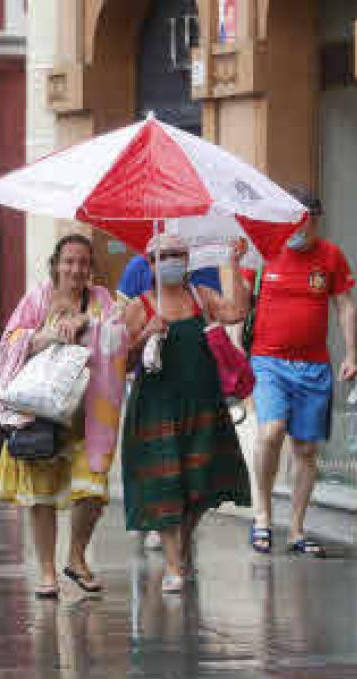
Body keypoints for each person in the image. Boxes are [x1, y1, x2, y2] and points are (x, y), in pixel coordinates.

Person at [0, 234, 128, 599]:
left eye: (83, 262)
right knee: (41, 498)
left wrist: (87, 323)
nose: (76, 269)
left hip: (88, 415)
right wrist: (52, 333)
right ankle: (48, 573)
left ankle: (76, 556)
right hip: (43, 413)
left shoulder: (101, 299)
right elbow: (9, 346)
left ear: (91, 268)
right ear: (56, 264)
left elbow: (119, 342)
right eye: (69, 261)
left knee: (93, 491)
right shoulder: (38, 297)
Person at [120, 234, 252, 593]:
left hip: (203, 404)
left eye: (179, 254)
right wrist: (144, 333)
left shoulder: (201, 296)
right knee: (166, 486)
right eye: (165, 255)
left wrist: (235, 266)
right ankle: (175, 565)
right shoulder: (138, 306)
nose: (173, 261)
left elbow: (237, 312)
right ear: (149, 263)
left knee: (200, 484)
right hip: (156, 409)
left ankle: (178, 548)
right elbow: (121, 362)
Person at [247, 188, 357, 558]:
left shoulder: (330, 256)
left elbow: (344, 305)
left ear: (315, 218)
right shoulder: (264, 253)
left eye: (307, 217)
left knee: (306, 449)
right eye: (294, 217)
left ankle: (296, 528)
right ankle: (262, 515)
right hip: (269, 361)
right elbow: (239, 303)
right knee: (271, 431)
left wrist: (351, 354)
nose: (301, 224)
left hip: (314, 365)